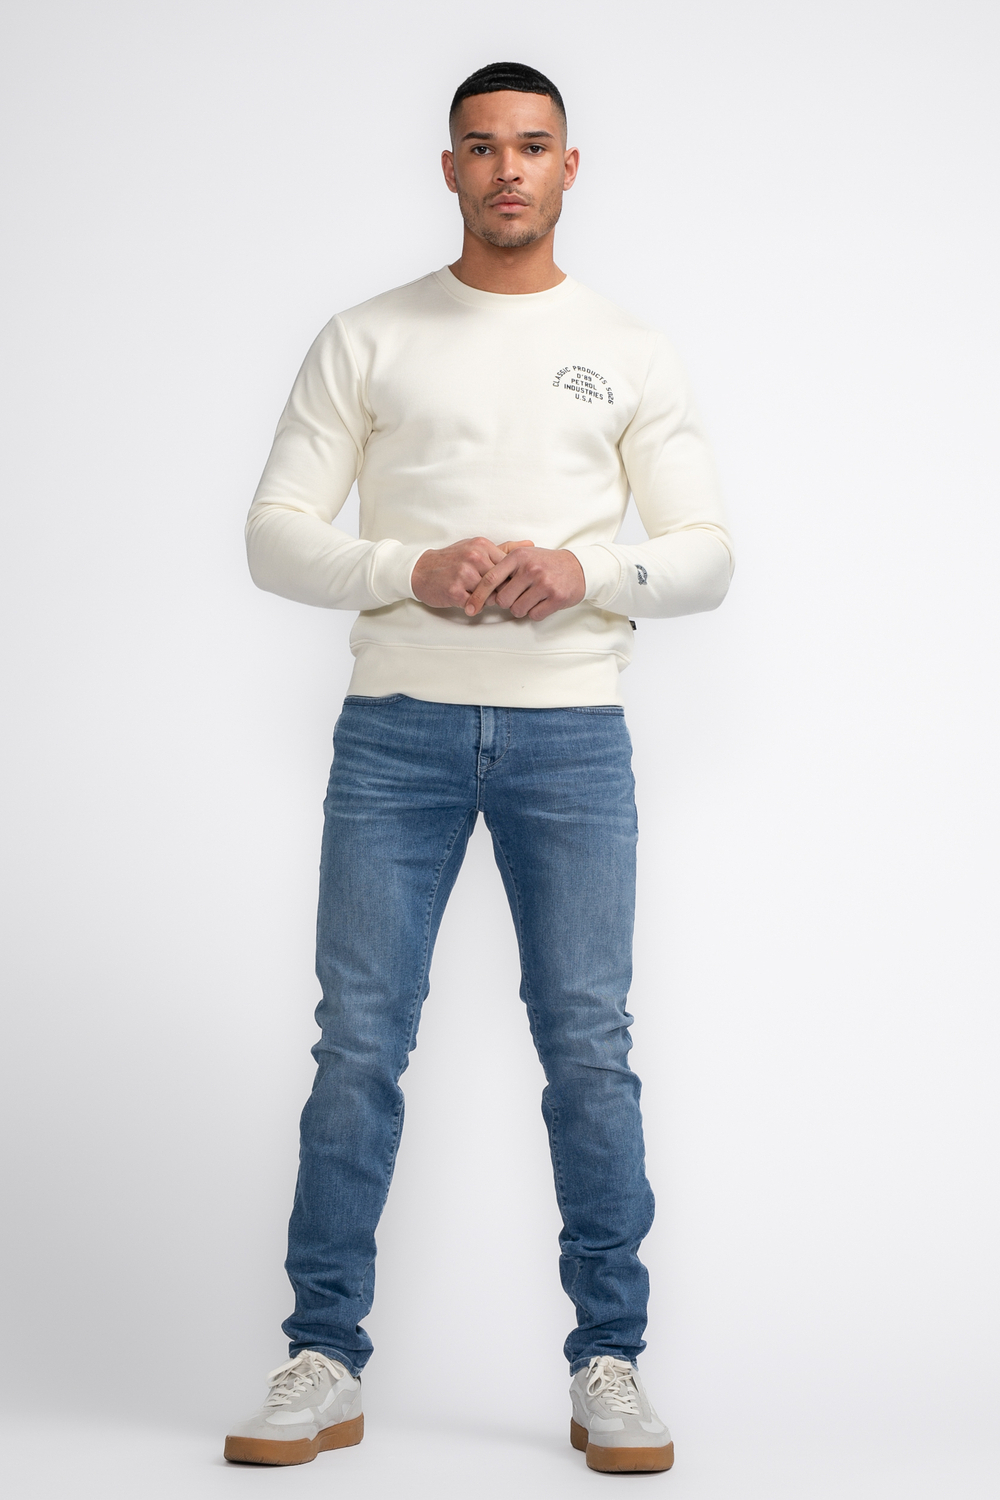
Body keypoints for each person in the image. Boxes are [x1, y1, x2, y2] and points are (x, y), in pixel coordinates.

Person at [224, 60, 733, 1474]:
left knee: (588, 1048)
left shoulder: (629, 348)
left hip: (573, 736)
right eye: (482, 146)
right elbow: (274, 534)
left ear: (571, 166)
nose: (509, 167)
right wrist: (409, 566)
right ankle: (323, 1356)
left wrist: (586, 570)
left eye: (533, 144)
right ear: (447, 167)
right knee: (358, 1046)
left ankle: (610, 1362)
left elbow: (706, 555)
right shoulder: (367, 336)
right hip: (397, 730)